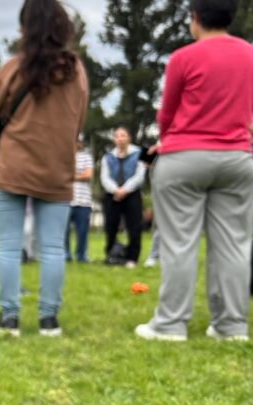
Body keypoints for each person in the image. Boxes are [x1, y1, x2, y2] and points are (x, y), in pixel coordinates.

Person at [135, 0, 253, 342]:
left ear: (196, 18)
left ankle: (170, 324)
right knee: (234, 245)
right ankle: (231, 326)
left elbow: (167, 113)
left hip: (184, 156)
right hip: (237, 156)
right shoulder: (249, 54)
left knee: (179, 244)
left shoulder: (183, 57)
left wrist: (168, 138)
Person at [0, 0, 89, 337]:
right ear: (62, 26)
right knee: (53, 248)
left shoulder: (11, 69)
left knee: (8, 246)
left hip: (10, 165)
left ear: (25, 28)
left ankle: (10, 318)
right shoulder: (75, 71)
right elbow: (79, 120)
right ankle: (49, 320)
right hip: (56, 168)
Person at [100, 127, 147, 268]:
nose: (120, 139)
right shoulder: (107, 156)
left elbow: (140, 175)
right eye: (117, 136)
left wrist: (125, 189)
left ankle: (132, 258)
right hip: (112, 194)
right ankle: (111, 255)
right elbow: (104, 177)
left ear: (129, 138)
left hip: (132, 193)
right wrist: (115, 190)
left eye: (123, 135)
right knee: (110, 226)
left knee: (134, 226)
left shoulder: (140, 153)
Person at [66, 139, 95, 263]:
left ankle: (81, 255)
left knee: (82, 231)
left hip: (83, 201)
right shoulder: (62, 157)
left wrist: (71, 176)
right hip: (65, 200)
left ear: (80, 144)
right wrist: (79, 175)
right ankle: (66, 254)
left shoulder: (86, 157)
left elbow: (88, 175)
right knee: (65, 231)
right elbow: (59, 175)